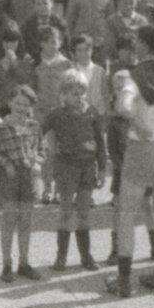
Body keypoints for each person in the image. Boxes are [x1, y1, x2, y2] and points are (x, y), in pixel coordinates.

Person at [106, 24, 154, 297]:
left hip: (142, 149)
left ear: (143, 44)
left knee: (127, 215)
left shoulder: (136, 75)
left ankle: (123, 281)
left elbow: (122, 106)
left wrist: (137, 123)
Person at [45, 71, 106, 271]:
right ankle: (61, 256)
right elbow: (38, 131)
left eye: (81, 93)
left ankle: (86, 256)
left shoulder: (92, 112)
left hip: (87, 167)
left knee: (84, 212)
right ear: (63, 94)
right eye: (73, 93)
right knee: (65, 212)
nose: (78, 97)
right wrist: (43, 150)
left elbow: (100, 142)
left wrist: (102, 168)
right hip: (66, 167)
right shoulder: (56, 114)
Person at [0, 84, 43, 280]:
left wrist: (37, 163)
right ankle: (7, 264)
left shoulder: (34, 126)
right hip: (9, 176)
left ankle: (24, 263)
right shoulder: (1, 128)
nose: (21, 108)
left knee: (26, 221)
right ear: (10, 103)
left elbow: (41, 149)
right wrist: (5, 163)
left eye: (26, 105)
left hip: (28, 176)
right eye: (18, 103)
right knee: (9, 220)